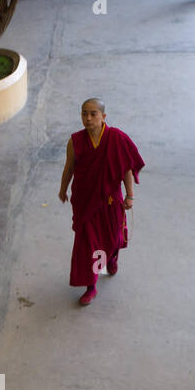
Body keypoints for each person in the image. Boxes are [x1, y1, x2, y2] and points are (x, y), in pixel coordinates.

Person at [58, 99, 144, 307]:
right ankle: (91, 285)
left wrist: (130, 195)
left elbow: (126, 169)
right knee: (89, 244)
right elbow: (69, 167)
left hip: (110, 201)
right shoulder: (75, 141)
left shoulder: (116, 138)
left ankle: (112, 258)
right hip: (85, 201)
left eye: (93, 114)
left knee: (111, 237)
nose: (88, 118)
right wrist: (62, 189)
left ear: (103, 116)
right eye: (84, 113)